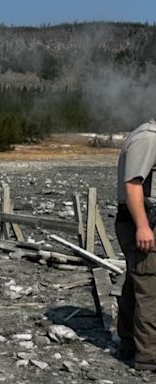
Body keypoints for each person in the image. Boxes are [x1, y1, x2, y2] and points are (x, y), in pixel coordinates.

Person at [116, 118, 156, 370]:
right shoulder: (149, 137)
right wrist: (142, 225)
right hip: (142, 222)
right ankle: (149, 356)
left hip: (142, 220)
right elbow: (133, 184)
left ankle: (130, 343)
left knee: (137, 282)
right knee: (150, 288)